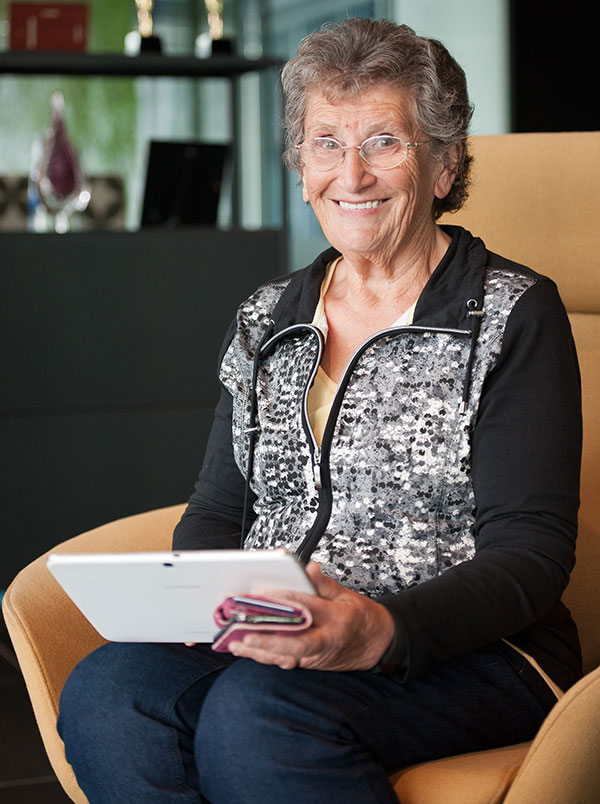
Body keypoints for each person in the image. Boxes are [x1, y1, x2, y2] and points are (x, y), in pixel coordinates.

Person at [58, 17, 582, 804]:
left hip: (475, 650)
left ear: (444, 165)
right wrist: (213, 609)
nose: (352, 175)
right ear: (302, 167)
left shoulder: (511, 313)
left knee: (258, 716)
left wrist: (379, 629)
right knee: (112, 696)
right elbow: (219, 508)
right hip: (281, 636)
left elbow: (531, 552)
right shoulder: (268, 316)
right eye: (326, 143)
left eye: (384, 143)